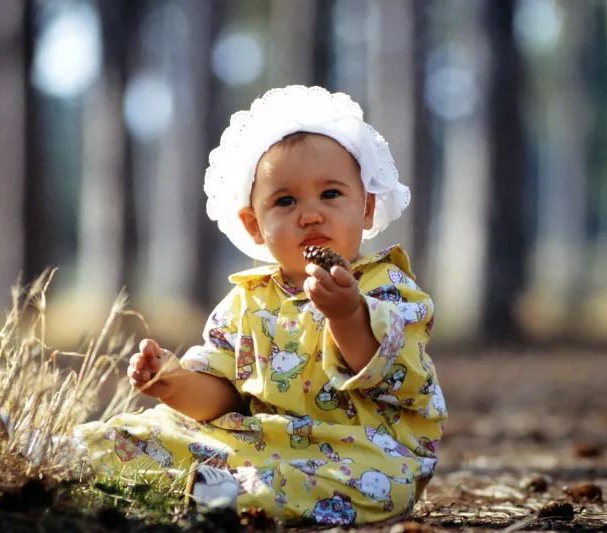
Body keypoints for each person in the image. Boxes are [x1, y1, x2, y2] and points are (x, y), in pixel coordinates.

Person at [73, 85, 446, 526]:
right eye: (285, 201)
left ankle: (229, 496)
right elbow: (224, 400)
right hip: (258, 440)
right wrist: (173, 383)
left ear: (365, 209)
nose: (310, 215)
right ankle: (70, 456)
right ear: (254, 224)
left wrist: (347, 314)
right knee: (150, 431)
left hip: (362, 447)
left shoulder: (387, 285)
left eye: (330, 194)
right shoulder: (247, 300)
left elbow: (386, 366)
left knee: (374, 484)